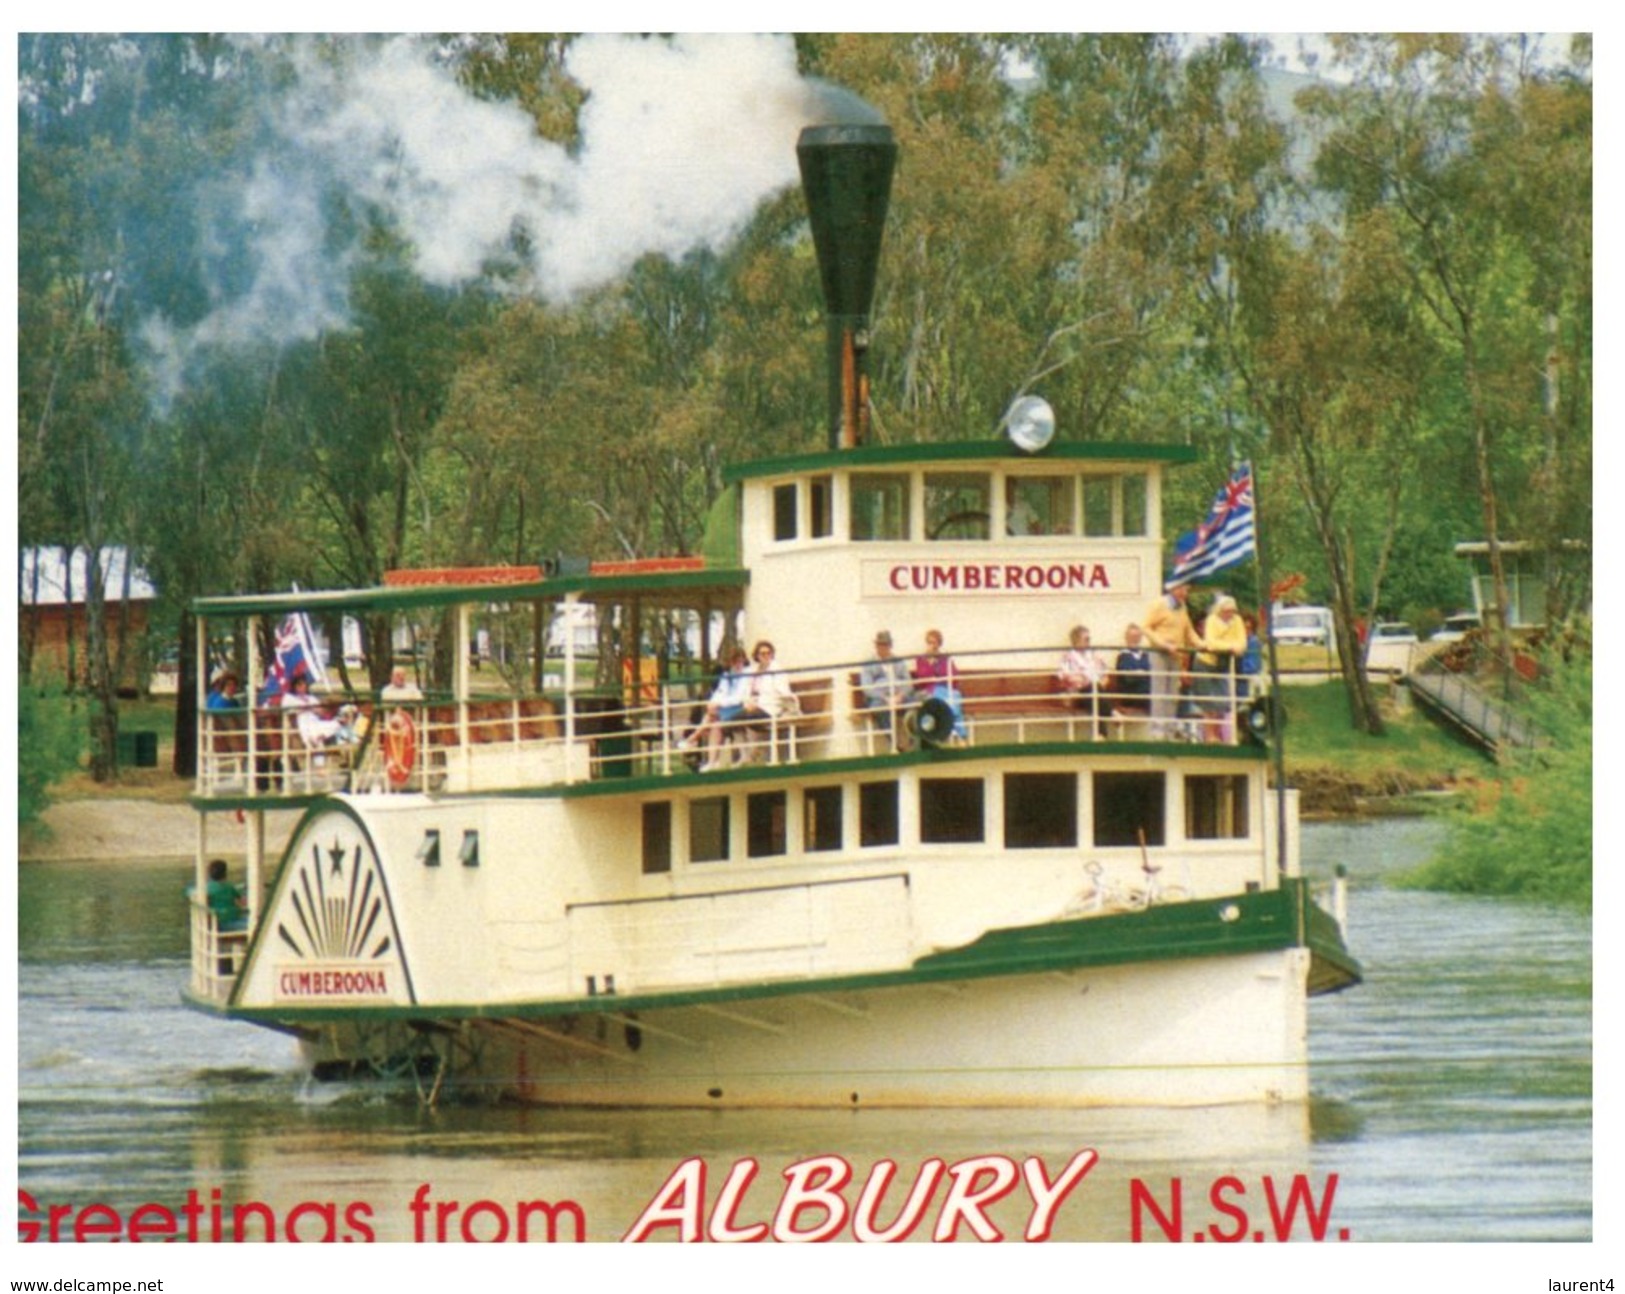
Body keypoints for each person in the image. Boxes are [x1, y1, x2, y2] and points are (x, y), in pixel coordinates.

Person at [1144, 583, 1200, 737]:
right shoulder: (1159, 604)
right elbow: (1146, 627)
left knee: (1173, 693)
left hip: (1177, 654)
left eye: (1186, 589)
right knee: (1159, 692)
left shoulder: (1182, 607)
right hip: (1160, 653)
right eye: (1182, 589)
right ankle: (1157, 732)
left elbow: (1188, 631)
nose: (1185, 592)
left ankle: (1169, 731)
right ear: (1173, 589)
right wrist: (1162, 644)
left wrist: (1203, 644)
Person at [682, 645, 751, 771]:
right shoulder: (727, 676)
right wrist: (712, 704)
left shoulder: (747, 675)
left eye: (740, 661)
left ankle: (692, 739)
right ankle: (711, 761)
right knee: (714, 722)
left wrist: (719, 704)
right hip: (727, 709)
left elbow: (739, 697)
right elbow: (719, 693)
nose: (738, 665)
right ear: (730, 662)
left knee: (713, 719)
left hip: (740, 707)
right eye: (734, 661)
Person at [1194, 594, 1248, 741]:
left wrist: (1235, 647)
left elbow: (1242, 643)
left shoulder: (1237, 621)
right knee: (1208, 702)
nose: (1229, 614)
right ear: (1219, 610)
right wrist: (1231, 646)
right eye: (1226, 611)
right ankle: (1210, 735)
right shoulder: (1212, 620)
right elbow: (1211, 643)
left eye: (1232, 611)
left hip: (1223, 664)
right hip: (1206, 663)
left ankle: (1218, 734)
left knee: (1223, 701)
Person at [859, 630, 913, 750]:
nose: (883, 648)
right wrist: (885, 698)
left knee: (914, 704)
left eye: (885, 645)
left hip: (899, 695)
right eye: (880, 645)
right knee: (880, 709)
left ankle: (912, 738)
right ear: (876, 646)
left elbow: (908, 682)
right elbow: (866, 687)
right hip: (881, 697)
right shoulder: (868, 663)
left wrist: (900, 696)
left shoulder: (899, 661)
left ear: (890, 646)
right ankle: (894, 742)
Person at [912, 628, 966, 742]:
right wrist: (931, 664)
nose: (932, 645)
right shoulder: (921, 660)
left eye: (934, 642)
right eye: (929, 642)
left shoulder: (945, 659)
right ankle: (959, 735)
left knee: (955, 698)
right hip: (928, 690)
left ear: (939, 644)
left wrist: (937, 666)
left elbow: (953, 677)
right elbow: (923, 677)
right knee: (948, 701)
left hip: (946, 690)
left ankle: (959, 735)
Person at [1057, 625, 1110, 737]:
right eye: (1086, 639)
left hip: (1096, 691)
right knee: (1092, 691)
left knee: (1094, 695)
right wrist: (1084, 682)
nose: (1089, 642)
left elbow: (1105, 674)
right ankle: (1111, 713)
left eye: (1089, 639)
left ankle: (1101, 735)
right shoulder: (1067, 657)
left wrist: (1101, 683)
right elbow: (1064, 676)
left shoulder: (1094, 655)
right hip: (1078, 693)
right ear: (1076, 641)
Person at [1109, 623, 1154, 737]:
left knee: (1155, 690)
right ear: (1126, 638)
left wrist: (1140, 673)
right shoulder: (1123, 656)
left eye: (1137, 637)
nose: (1135, 640)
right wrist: (1140, 674)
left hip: (1144, 691)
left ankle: (1160, 728)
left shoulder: (1145, 655)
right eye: (1132, 637)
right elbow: (1126, 677)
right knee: (1150, 690)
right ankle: (1157, 729)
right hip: (1130, 693)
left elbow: (1150, 670)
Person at [187, 858, 246, 933]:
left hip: (218, 922)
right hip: (231, 919)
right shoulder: (230, 887)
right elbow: (242, 901)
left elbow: (191, 892)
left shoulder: (207, 888)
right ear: (225, 873)